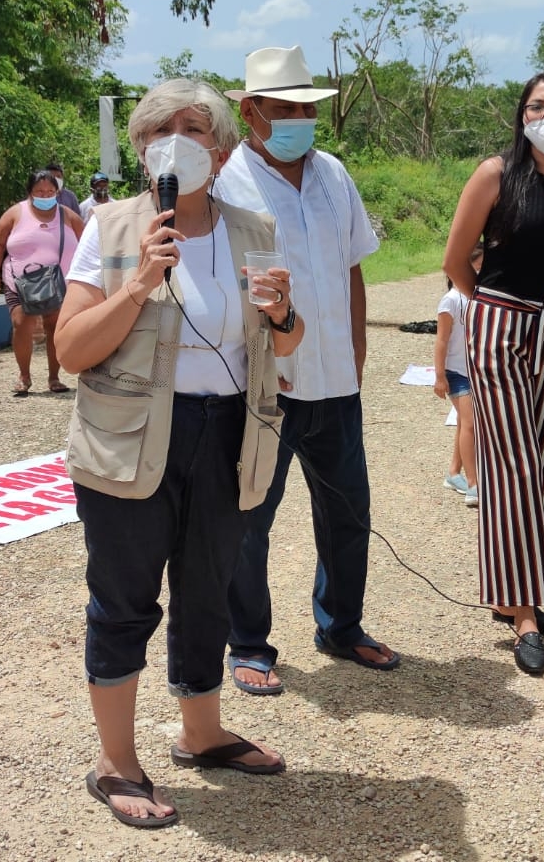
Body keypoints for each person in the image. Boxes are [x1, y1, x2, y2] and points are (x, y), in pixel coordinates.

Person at [56, 78, 302, 828]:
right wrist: (136, 284)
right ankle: (115, 761)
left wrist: (282, 313)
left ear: (222, 149)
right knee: (125, 598)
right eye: (160, 129)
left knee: (207, 588)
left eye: (194, 128)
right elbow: (70, 349)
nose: (176, 140)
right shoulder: (111, 226)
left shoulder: (253, 226)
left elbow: (285, 344)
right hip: (131, 439)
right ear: (139, 149)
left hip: (227, 432)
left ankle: (201, 733)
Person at [216, 44, 398, 696]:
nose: (297, 117)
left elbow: (351, 266)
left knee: (348, 510)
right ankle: (249, 643)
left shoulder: (333, 173)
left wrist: (354, 354)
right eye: (283, 107)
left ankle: (340, 625)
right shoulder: (225, 181)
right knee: (248, 519)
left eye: (305, 106)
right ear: (251, 112)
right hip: (263, 384)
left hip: (334, 379)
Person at [442, 69, 544, 676]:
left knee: (543, 466)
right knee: (511, 462)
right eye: (536, 105)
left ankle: (514, 591)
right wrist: (487, 309)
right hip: (503, 329)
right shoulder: (496, 174)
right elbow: (456, 259)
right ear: (521, 115)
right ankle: (526, 613)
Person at [0, 171, 84, 396]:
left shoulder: (67, 215)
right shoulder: (15, 213)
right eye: (40, 191)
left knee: (54, 327)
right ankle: (24, 376)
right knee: (21, 324)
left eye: (50, 191)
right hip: (19, 280)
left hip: (58, 282)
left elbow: (88, 241)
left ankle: (54, 377)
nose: (45, 195)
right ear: (30, 192)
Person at [435, 245, 482, 506]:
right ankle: (473, 484)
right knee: (471, 424)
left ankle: (454, 473)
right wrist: (439, 376)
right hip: (456, 374)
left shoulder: (477, 298)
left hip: (474, 372)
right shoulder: (450, 301)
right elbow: (441, 341)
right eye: (477, 267)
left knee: (466, 424)